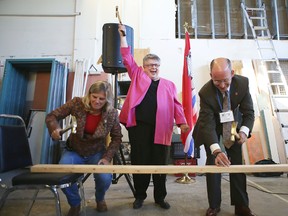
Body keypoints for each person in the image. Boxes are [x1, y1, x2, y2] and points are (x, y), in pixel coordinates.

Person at [118, 24, 190, 210]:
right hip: (139, 128)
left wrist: (181, 122)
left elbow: (176, 105)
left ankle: (159, 197)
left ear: (160, 67)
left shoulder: (168, 85)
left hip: (162, 129)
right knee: (139, 163)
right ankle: (139, 196)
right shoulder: (137, 76)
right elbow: (127, 58)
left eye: (156, 65)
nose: (154, 68)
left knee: (160, 165)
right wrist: (123, 37)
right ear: (143, 67)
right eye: (150, 65)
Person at [45, 81, 122, 216]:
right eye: (94, 96)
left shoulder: (112, 113)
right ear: (89, 94)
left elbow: (117, 137)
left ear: (107, 99)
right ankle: (75, 203)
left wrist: (107, 157)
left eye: (101, 99)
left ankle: (100, 198)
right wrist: (54, 128)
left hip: (97, 152)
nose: (97, 101)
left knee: (105, 178)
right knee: (63, 176)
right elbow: (52, 116)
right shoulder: (77, 103)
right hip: (74, 150)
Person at [192, 57, 255, 216]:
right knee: (213, 164)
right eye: (216, 81)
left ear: (232, 73)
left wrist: (244, 131)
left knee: (236, 165)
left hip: (232, 125)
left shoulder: (242, 84)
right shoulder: (205, 92)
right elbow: (207, 125)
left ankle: (241, 206)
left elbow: (248, 113)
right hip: (211, 126)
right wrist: (216, 151)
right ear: (210, 76)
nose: (221, 85)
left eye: (225, 81)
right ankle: (214, 205)